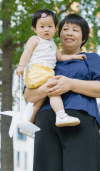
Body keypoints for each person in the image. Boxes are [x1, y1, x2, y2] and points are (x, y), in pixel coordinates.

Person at [24, 13, 100, 171]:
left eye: (75, 30)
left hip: (80, 122)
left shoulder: (90, 58)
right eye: (66, 29)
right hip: (45, 124)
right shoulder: (45, 60)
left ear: (83, 38)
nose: (70, 33)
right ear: (58, 34)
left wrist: (70, 84)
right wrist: (52, 86)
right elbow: (29, 96)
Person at [16, 9, 86, 137]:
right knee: (54, 88)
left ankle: (27, 124)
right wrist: (21, 66)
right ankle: (60, 115)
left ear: (55, 29)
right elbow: (26, 53)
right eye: (42, 27)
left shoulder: (52, 44)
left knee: (39, 100)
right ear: (34, 29)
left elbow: (60, 57)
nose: (46, 30)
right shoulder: (35, 39)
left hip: (45, 71)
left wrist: (75, 57)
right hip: (38, 71)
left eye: (50, 26)